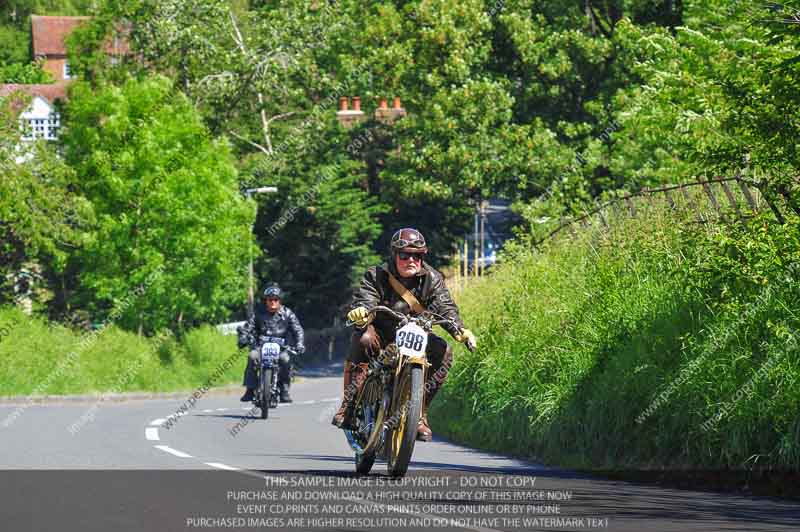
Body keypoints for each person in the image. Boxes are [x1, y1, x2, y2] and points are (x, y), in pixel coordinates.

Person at [331, 228, 477, 441]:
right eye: (404, 255)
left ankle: (419, 416)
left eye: (417, 255)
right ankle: (349, 406)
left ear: (422, 256)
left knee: (444, 352)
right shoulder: (376, 275)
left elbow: (445, 307)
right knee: (363, 338)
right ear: (394, 254)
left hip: (416, 335)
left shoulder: (432, 279)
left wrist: (460, 331)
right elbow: (365, 298)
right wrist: (362, 312)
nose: (411, 259)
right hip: (381, 335)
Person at [240, 283, 305, 403]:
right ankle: (250, 389)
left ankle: (284, 389)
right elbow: (248, 327)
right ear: (266, 301)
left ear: (279, 300)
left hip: (281, 348)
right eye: (270, 299)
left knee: (285, 359)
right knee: (252, 356)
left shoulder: (288, 313)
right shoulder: (258, 313)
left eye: (276, 299)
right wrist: (243, 337)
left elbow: (298, 329)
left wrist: (300, 343)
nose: (273, 302)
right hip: (261, 346)